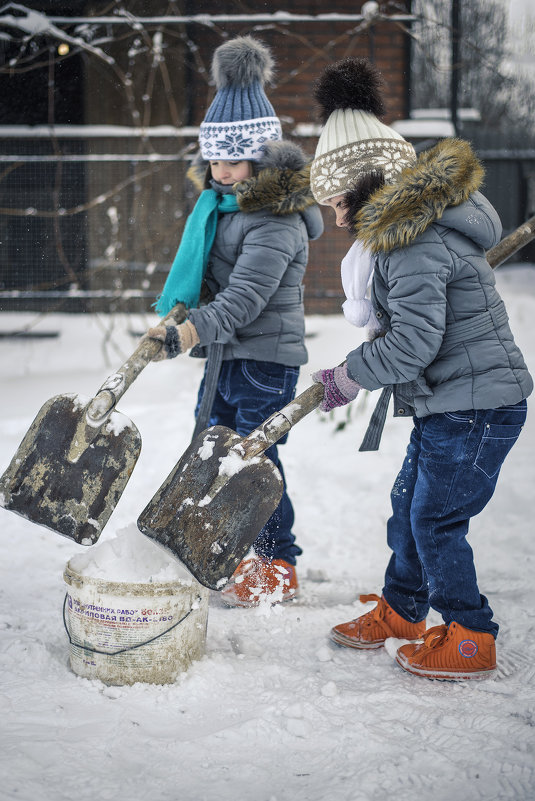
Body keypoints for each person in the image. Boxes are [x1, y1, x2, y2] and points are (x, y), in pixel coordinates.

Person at [309, 57, 533, 680]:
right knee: (410, 502)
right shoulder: (407, 233)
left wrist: (348, 376)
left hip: (478, 407)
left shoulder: (410, 241)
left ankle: (469, 633)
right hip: (454, 402)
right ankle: (405, 610)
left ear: (362, 186)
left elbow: (411, 343)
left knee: (434, 518)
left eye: (334, 201)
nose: (332, 216)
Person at [146, 36, 324, 607]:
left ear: (263, 158)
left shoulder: (275, 218)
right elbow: (212, 278)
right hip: (229, 353)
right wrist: (183, 309)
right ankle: (226, 547)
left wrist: (190, 331)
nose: (220, 171)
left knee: (253, 461)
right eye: (213, 158)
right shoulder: (221, 208)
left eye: (233, 158)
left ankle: (277, 564)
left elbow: (245, 297)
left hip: (265, 359)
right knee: (212, 449)